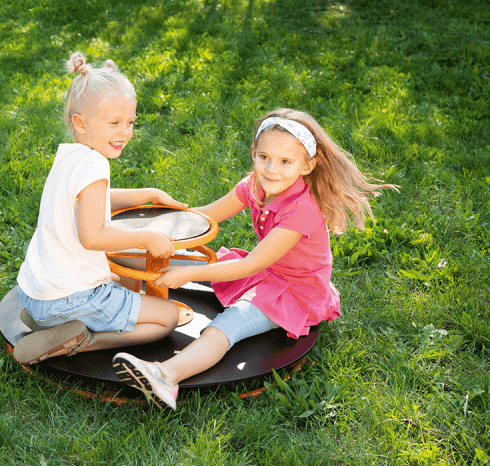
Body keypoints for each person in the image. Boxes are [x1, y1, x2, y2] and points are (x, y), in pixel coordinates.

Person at [113, 108, 398, 410]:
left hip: (292, 292)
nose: (271, 169)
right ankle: (113, 293)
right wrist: (151, 227)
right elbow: (204, 217)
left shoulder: (301, 211)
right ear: (254, 153)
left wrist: (185, 275)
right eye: (264, 158)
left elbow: (251, 264)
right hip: (264, 272)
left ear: (307, 165)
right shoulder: (255, 185)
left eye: (285, 162)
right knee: (151, 259)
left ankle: (165, 377)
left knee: (226, 326)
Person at [13, 51, 185, 365]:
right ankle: (82, 340)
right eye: (114, 122)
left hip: (36, 294)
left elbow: (97, 198)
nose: (124, 132)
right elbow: (92, 237)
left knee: (127, 271)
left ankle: (51, 323)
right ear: (80, 122)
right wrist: (146, 237)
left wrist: (149, 194)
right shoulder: (94, 163)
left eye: (130, 122)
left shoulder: (70, 155)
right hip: (69, 298)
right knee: (168, 318)